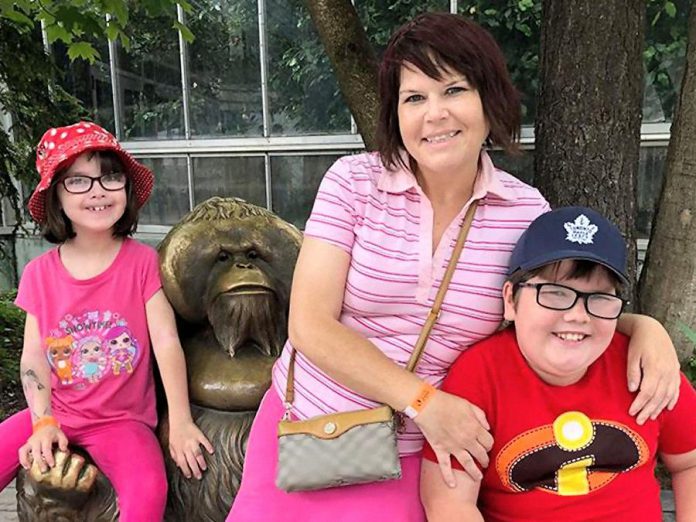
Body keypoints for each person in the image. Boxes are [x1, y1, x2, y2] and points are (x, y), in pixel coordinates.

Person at [228, 12, 680, 522]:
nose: (435, 114)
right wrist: (424, 401)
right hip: (305, 426)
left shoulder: (525, 212)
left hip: (414, 452)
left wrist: (644, 327)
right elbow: (310, 325)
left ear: (490, 100)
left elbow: (558, 305)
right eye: (414, 98)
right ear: (395, 114)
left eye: (454, 90)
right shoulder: (352, 183)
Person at [421, 206, 696, 521]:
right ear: (510, 300)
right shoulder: (482, 374)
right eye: (554, 293)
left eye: (600, 298)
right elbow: (448, 501)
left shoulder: (644, 365)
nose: (578, 315)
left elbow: (690, 462)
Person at [0, 122, 214, 521]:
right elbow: (33, 357)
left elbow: (167, 342)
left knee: (149, 491)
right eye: (78, 181)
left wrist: (181, 421)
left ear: (126, 190)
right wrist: (43, 420)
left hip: (121, 423)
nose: (98, 190)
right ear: (55, 197)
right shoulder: (38, 274)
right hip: (54, 410)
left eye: (110, 177)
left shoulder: (142, 263)